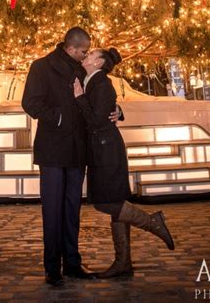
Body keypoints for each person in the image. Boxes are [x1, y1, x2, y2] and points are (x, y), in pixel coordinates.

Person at [22, 27, 121, 287]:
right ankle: (52, 267)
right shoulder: (41, 67)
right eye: (83, 51)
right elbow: (30, 103)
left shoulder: (82, 69)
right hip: (53, 151)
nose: (85, 55)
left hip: (78, 152)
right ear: (72, 47)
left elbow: (99, 96)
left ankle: (73, 264)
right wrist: (60, 117)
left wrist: (116, 110)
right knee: (52, 210)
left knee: (72, 211)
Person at [73, 47, 175, 278]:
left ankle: (153, 222)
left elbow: (97, 121)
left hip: (106, 151)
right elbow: (104, 109)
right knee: (113, 203)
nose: (85, 55)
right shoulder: (92, 80)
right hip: (102, 148)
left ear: (98, 63)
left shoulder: (100, 83)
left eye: (90, 55)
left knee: (104, 202)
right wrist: (116, 109)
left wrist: (79, 98)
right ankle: (123, 262)